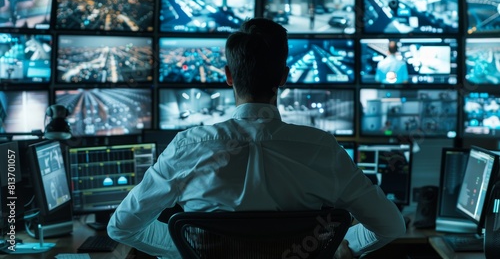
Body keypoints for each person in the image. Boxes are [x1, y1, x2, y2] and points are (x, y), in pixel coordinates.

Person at [107, 18, 406, 259]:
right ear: (284, 77)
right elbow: (390, 226)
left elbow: (122, 228)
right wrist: (343, 243)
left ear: (228, 76)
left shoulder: (187, 147)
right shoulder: (323, 149)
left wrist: (187, 248)